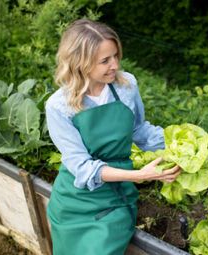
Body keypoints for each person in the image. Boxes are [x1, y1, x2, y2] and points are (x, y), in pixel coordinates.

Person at [45, 18, 181, 255]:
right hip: (76, 202)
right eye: (105, 61)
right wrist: (140, 175)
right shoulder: (59, 106)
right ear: (80, 62)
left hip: (116, 197)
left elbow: (139, 130)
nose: (115, 65)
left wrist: (183, 144)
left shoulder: (126, 86)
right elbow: (82, 167)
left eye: (116, 56)